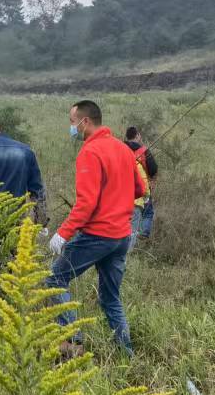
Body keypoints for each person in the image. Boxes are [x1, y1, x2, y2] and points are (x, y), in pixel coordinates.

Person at [47, 100, 146, 356]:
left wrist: (63, 233)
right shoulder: (124, 149)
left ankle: (73, 342)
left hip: (98, 235)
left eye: (72, 122)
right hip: (122, 235)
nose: (71, 127)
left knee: (54, 279)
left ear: (85, 122)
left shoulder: (90, 152)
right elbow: (140, 189)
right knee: (111, 298)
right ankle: (127, 355)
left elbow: (87, 203)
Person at [124, 125, 158, 245]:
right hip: (140, 190)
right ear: (137, 135)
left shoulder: (120, 148)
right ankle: (143, 233)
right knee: (147, 213)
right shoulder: (143, 150)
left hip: (121, 191)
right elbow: (153, 169)